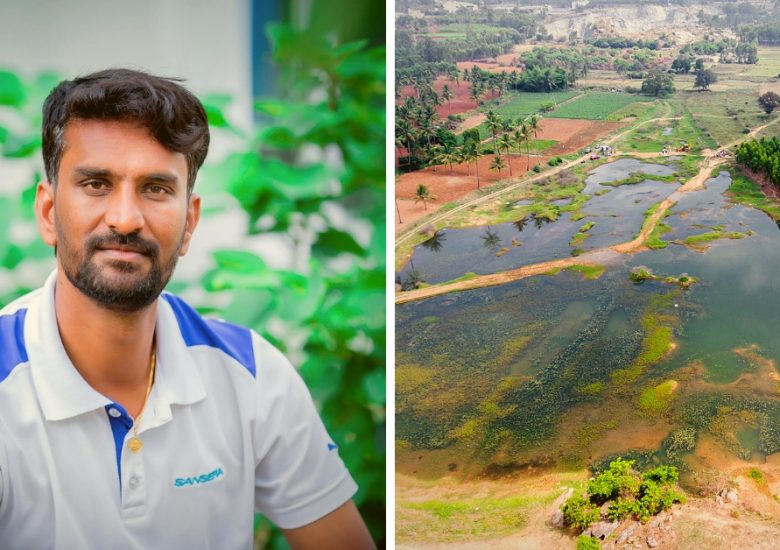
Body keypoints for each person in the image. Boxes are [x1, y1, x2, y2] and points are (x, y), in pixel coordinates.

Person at [0, 68, 375, 549]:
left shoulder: (252, 375)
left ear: (189, 222)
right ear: (49, 213)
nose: (125, 219)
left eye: (156, 188)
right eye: (96, 184)